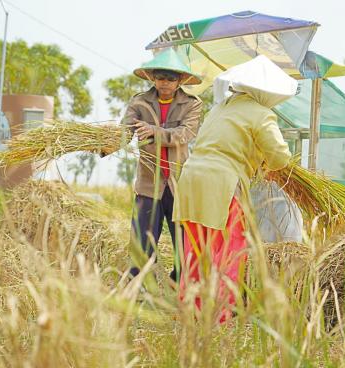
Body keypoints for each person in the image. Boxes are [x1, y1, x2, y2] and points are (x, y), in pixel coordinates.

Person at [173, 55, 298, 321]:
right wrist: (267, 164)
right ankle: (219, 322)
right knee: (229, 252)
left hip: (191, 181)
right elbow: (280, 157)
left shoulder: (220, 107)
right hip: (221, 185)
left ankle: (190, 317)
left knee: (195, 252)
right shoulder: (262, 113)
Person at [122, 48, 203, 282]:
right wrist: (101, 143)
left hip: (179, 184)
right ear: (152, 78)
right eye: (160, 77)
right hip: (149, 182)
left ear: (180, 81)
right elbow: (125, 131)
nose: (164, 83)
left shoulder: (191, 104)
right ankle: (137, 289)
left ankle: (180, 285)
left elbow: (185, 133)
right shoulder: (139, 102)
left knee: (183, 241)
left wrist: (154, 131)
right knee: (142, 241)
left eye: (170, 78)